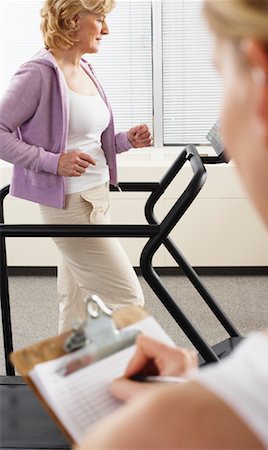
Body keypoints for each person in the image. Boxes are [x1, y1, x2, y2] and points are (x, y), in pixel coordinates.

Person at [75, 0, 268, 449]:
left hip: (94, 193)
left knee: (101, 294)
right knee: (88, 293)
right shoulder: (42, 71)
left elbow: (94, 140)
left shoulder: (159, 431)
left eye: (221, 76)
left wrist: (180, 410)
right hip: (67, 198)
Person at [0, 0, 152, 332]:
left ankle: (71, 378)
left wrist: (126, 140)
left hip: (96, 198)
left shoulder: (84, 68)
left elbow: (86, 144)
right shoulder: (38, 73)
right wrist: (53, 163)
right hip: (70, 205)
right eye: (100, 19)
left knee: (77, 307)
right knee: (127, 299)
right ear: (72, 20)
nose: (106, 29)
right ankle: (117, 377)